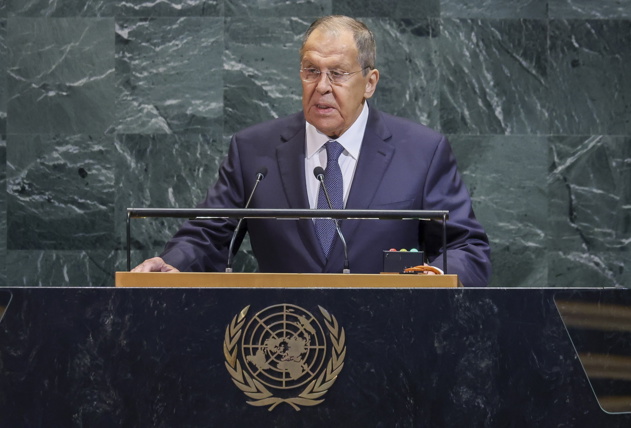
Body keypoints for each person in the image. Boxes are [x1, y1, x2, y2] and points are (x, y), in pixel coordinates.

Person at [132, 15, 491, 287]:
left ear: (369, 82)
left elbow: (466, 247)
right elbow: (208, 235)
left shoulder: (422, 152)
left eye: (337, 73)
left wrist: (431, 278)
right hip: (284, 342)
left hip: (390, 341)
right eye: (311, 71)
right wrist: (172, 264)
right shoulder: (254, 151)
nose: (321, 86)